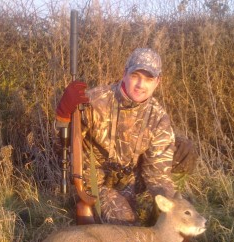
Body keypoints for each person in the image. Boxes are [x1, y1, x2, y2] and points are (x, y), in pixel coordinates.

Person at [55, 48, 197, 225]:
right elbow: (63, 144)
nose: (140, 85)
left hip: (129, 183)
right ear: (124, 74)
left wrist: (174, 207)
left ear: (157, 82)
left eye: (148, 79)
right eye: (135, 76)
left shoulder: (158, 118)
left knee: (184, 150)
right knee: (126, 224)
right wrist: (63, 116)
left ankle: (154, 219)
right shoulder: (94, 101)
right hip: (95, 183)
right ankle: (88, 210)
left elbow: (157, 174)